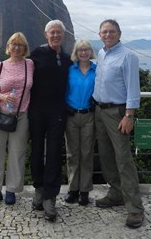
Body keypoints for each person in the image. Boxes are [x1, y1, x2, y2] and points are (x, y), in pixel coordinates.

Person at [92, 19, 145, 229]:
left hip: (118, 112)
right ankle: (115, 194)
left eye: (111, 31)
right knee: (105, 156)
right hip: (99, 110)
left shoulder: (128, 56)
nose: (108, 34)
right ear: (99, 34)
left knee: (123, 159)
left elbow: (133, 88)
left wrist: (129, 115)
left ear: (119, 34)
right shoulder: (102, 53)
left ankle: (135, 209)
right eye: (104, 31)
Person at [0, 32, 34, 207]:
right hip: (0, 116)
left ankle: (11, 190)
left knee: (17, 153)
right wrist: (2, 97)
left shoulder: (30, 64)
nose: (16, 47)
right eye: (13, 44)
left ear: (25, 48)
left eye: (20, 45)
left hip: (21, 116)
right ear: (8, 47)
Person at [28, 20, 72, 221]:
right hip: (37, 110)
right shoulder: (37, 54)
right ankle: (39, 187)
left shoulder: (66, 58)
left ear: (63, 35)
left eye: (59, 33)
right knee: (36, 150)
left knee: (54, 152)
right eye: (52, 32)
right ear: (46, 35)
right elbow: (20, 69)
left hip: (58, 112)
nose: (55, 35)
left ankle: (50, 196)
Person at [64, 39, 96, 206]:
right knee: (72, 154)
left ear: (91, 52)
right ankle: (73, 188)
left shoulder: (96, 70)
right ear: (76, 52)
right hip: (71, 115)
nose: (83, 53)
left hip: (89, 115)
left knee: (86, 154)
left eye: (86, 50)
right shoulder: (70, 70)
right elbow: (63, 90)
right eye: (80, 50)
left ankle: (85, 190)